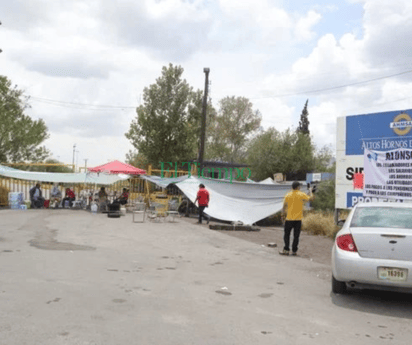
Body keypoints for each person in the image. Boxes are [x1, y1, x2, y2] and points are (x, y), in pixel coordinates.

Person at [280, 181, 315, 256]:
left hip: (289, 219)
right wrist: (311, 191)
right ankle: (294, 251)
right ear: (298, 187)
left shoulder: (288, 195)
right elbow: (310, 198)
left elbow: (284, 207)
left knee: (287, 235)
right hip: (298, 219)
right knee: (296, 236)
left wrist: (282, 216)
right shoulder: (301, 195)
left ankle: (286, 249)